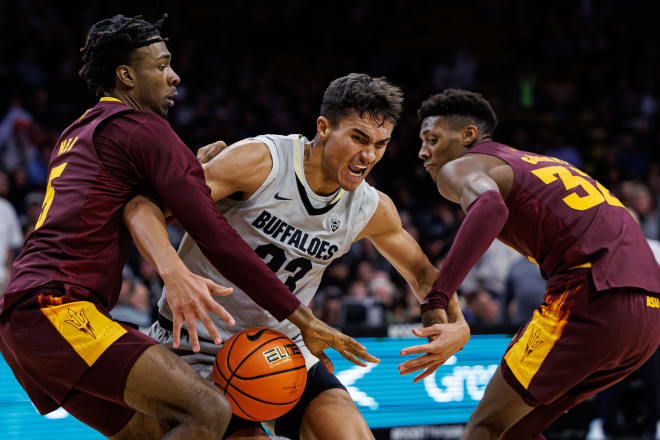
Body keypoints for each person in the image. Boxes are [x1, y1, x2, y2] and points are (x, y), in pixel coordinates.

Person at [0, 15, 374, 440]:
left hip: (29, 317)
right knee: (208, 411)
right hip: (56, 308)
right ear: (126, 76)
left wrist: (189, 172)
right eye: (160, 66)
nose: (174, 76)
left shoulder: (80, 129)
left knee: (161, 430)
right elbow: (216, 236)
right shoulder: (144, 128)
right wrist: (302, 318)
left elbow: (129, 200)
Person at [122, 73, 471, 439]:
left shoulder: (370, 207)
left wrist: (454, 324)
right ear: (323, 127)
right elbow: (147, 207)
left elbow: (422, 274)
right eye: (358, 138)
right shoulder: (260, 162)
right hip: (197, 346)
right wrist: (172, 271)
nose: (369, 155)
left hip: (282, 348)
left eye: (380, 144)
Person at [406, 88, 660, 439]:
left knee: (485, 428)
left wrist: (437, 298)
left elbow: (490, 208)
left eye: (432, 139)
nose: (423, 152)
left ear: (468, 135)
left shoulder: (462, 166)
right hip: (648, 315)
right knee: (515, 430)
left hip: (593, 293)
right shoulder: (532, 163)